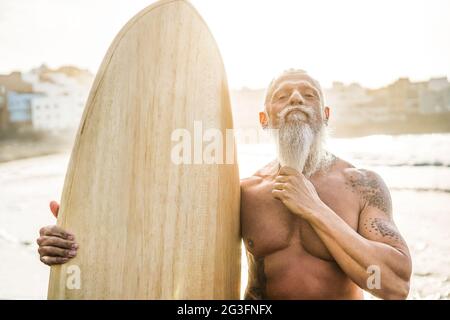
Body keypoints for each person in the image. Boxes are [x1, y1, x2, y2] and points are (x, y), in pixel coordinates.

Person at [37, 69, 412, 299]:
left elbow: (394, 286)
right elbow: (156, 244)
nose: (296, 98)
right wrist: (75, 241)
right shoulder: (242, 193)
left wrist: (313, 207)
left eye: (309, 94)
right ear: (265, 119)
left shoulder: (361, 185)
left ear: (325, 115)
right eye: (283, 96)